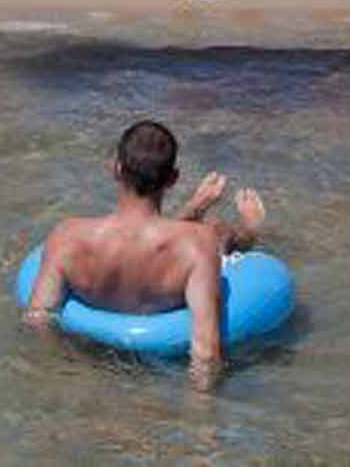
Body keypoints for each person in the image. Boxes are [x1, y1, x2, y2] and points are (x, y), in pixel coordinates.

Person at [24, 120, 266, 390]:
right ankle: (247, 232)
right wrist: (203, 423)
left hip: (85, 365)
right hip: (161, 365)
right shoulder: (198, 246)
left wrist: (70, 371)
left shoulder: (67, 236)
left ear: (116, 168)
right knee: (216, 230)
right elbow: (206, 353)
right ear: (172, 179)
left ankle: (196, 211)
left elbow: (38, 319)